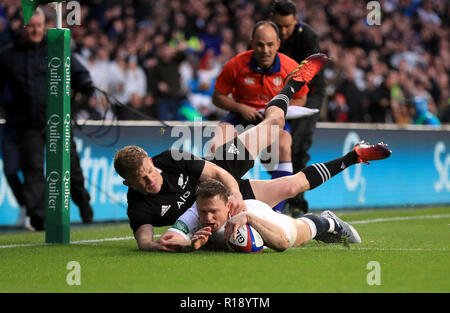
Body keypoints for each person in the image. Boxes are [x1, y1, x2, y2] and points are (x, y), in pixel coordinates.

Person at [113, 53, 328, 251]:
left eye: (149, 171)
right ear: (128, 183)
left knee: (275, 123)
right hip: (214, 206)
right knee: (291, 186)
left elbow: (218, 174)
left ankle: (292, 84)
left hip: (223, 166)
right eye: (140, 180)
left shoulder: (171, 158)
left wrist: (234, 193)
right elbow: (145, 243)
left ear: (150, 161)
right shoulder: (138, 205)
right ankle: (315, 219)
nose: (150, 180)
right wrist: (173, 246)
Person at [160, 138, 392, 253]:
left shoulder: (243, 212)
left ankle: (327, 220)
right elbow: (169, 239)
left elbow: (281, 244)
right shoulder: (196, 213)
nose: (208, 217)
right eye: (204, 212)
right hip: (227, 193)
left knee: (297, 228)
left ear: (229, 206)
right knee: (290, 186)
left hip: (251, 208)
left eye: (213, 212)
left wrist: (247, 216)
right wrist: (191, 243)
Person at [0, 9, 94, 230]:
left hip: (57, 121)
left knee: (70, 167)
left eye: (40, 25)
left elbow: (80, 73)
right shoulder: (7, 56)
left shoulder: (57, 49)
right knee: (32, 169)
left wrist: (86, 86)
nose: (36, 30)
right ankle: (38, 217)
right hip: (26, 123)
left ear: (45, 25)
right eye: (31, 26)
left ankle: (83, 202)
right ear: (22, 27)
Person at [210, 20, 312, 213]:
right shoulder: (236, 64)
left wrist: (275, 111)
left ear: (278, 44)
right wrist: (240, 107)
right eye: (260, 44)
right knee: (217, 146)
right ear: (252, 43)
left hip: (272, 122)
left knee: (284, 145)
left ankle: (276, 213)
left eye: (270, 44)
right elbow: (217, 98)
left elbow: (301, 98)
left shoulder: (290, 67)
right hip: (239, 118)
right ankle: (222, 207)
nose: (265, 50)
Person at [271, 0, 327, 216]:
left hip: (309, 94)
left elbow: (309, 71)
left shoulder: (308, 36)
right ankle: (281, 197)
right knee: (278, 148)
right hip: (281, 92)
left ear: (296, 20)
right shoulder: (268, 36)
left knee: (298, 147)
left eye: (288, 26)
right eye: (280, 27)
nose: (284, 32)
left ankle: (296, 203)